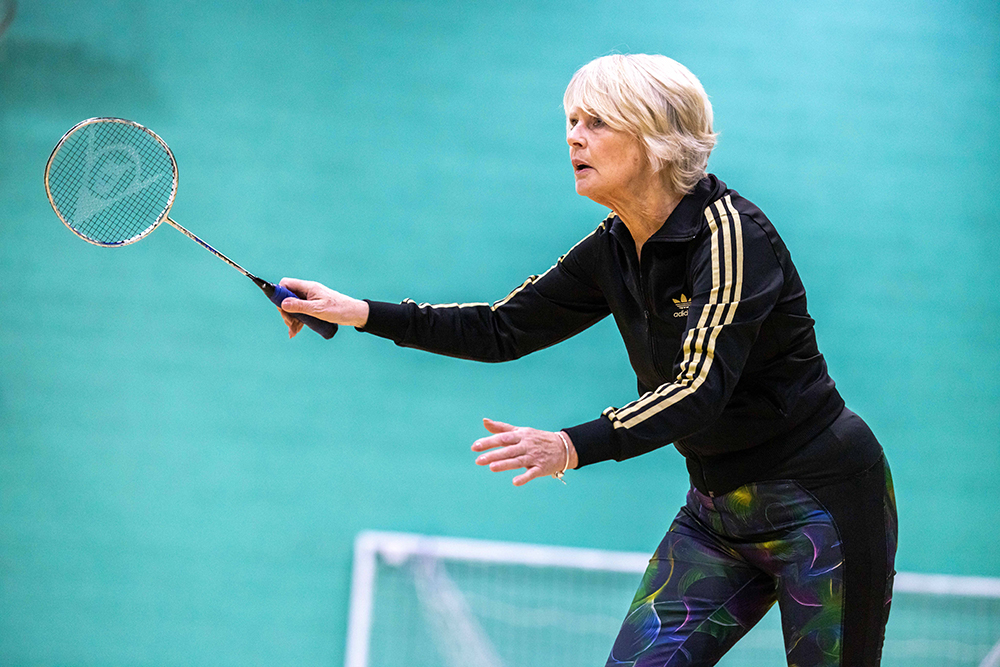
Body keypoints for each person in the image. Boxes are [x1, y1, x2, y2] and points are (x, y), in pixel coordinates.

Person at [276, 54, 897, 667]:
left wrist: (571, 446)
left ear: (654, 136)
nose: (574, 136)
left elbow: (699, 388)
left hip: (820, 504)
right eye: (572, 121)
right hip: (716, 517)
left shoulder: (731, 237)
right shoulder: (615, 246)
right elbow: (501, 329)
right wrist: (356, 311)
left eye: (596, 121)